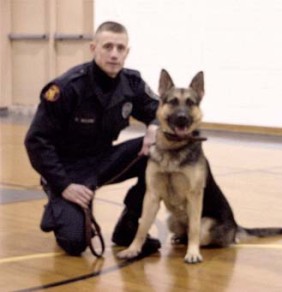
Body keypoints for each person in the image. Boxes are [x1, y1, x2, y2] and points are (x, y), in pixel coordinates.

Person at [25, 21, 232, 257]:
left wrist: (154, 127)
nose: (114, 54)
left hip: (103, 160)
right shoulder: (68, 87)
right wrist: (64, 185)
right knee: (74, 243)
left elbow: (160, 109)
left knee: (156, 149)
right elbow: (35, 141)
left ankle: (128, 225)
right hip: (68, 171)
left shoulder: (131, 83)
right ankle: (58, 201)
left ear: (127, 52)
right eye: (108, 47)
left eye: (120, 48)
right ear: (94, 48)